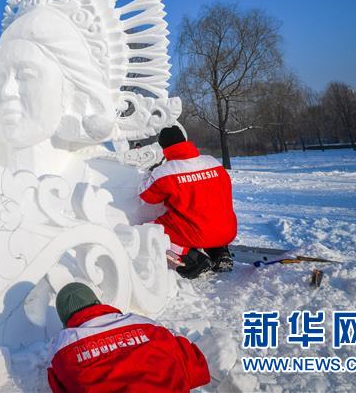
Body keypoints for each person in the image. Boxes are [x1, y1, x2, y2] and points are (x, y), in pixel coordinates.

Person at [47, 283, 210, 393]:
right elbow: (195, 367)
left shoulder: (62, 348)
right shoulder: (143, 324)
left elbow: (59, 386)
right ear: (97, 302)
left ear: (65, 321)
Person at [140, 126, 237, 278]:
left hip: (197, 234)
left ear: (164, 147)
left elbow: (147, 196)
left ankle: (193, 259)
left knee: (149, 231)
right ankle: (220, 253)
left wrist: (149, 173)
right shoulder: (212, 162)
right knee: (208, 215)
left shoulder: (165, 171)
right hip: (227, 230)